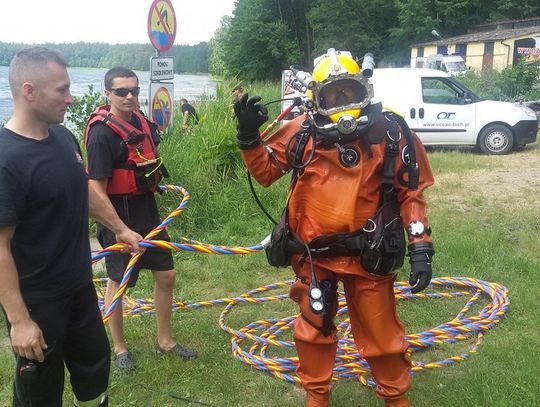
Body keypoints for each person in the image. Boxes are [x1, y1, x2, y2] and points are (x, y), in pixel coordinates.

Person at [233, 48, 435, 407]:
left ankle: (395, 397)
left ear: (363, 90)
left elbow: (411, 193)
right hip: (314, 256)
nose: (343, 102)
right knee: (313, 330)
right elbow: (265, 172)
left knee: (382, 333)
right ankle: (317, 397)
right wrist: (249, 136)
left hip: (369, 257)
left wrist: (420, 247)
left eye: (349, 92)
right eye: (333, 94)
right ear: (316, 97)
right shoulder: (301, 134)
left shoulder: (391, 132)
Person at [0, 47, 140, 406]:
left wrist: (120, 228)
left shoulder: (63, 138)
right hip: (38, 302)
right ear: (29, 91)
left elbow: (82, 191)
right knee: (40, 391)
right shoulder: (6, 160)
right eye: (61, 90)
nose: (71, 97)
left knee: (94, 368)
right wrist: (19, 322)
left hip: (79, 287)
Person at [85, 67, 197, 370]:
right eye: (121, 91)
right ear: (108, 93)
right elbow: (95, 192)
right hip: (117, 217)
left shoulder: (142, 124)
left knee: (166, 275)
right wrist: (119, 229)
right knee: (118, 283)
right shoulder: (100, 135)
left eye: (134, 90)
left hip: (147, 211)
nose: (130, 96)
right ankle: (120, 348)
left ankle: (165, 341)